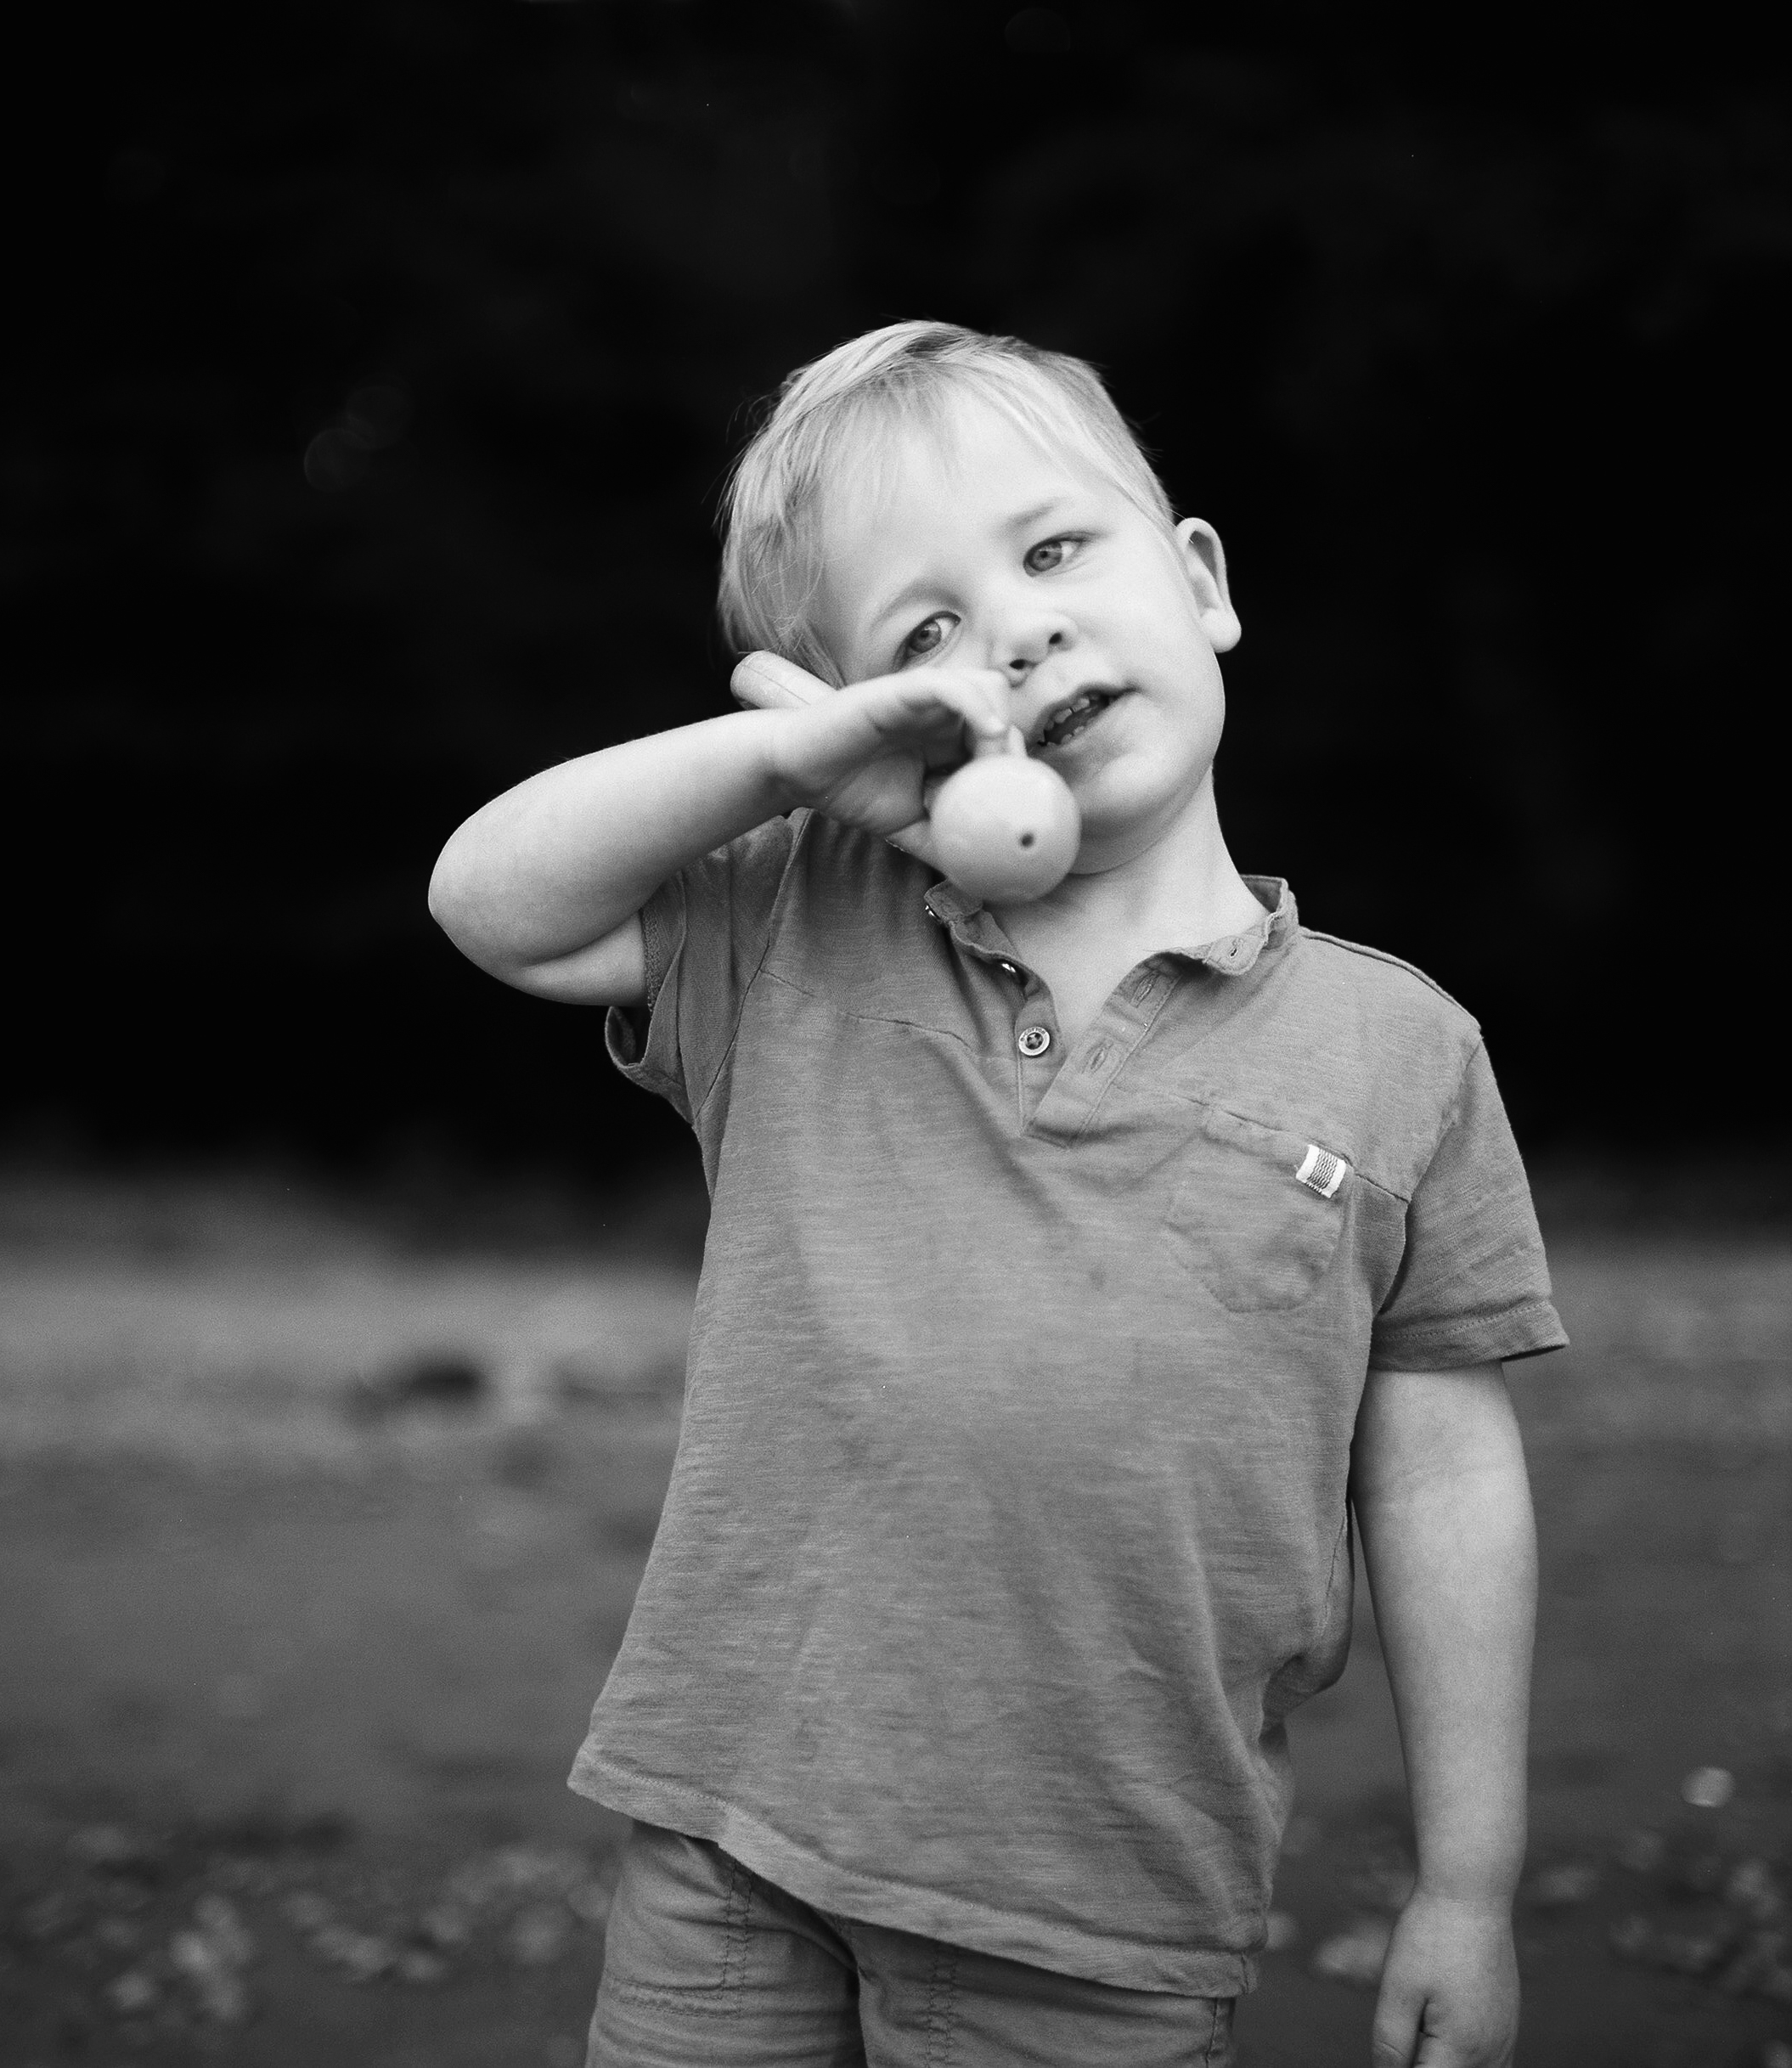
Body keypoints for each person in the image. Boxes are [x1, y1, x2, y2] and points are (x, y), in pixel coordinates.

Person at [427, 320, 1565, 2068]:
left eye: (1052, 553)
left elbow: (1442, 1479)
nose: (1014, 632)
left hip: (1104, 1901)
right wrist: (788, 770)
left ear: (1200, 584)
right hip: (736, 1835)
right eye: (926, 635)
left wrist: (1467, 1888)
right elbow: (490, 903)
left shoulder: (1397, 1049)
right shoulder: (795, 918)